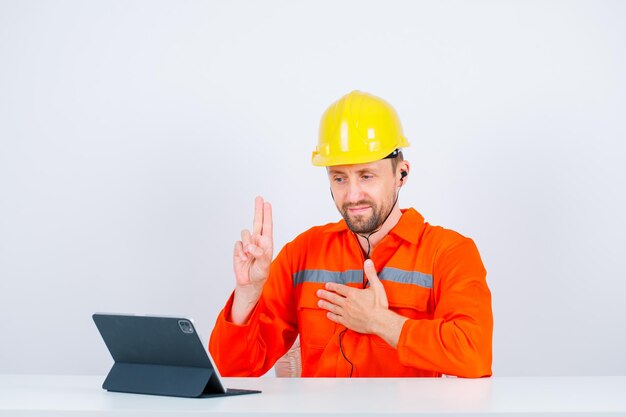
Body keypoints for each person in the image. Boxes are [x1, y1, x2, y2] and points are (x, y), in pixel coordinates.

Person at [209, 91, 493, 378]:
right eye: (339, 178)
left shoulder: (449, 253)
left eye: (366, 176)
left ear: (401, 175)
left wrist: (380, 322)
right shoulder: (303, 253)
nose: (352, 194)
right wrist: (247, 294)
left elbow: (474, 355)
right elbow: (232, 371)